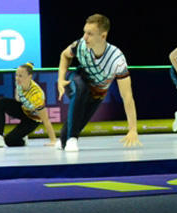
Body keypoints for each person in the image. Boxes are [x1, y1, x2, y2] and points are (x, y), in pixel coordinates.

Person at [56, 14, 140, 151]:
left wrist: (133, 129)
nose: (84, 37)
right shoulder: (81, 45)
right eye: (84, 32)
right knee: (80, 90)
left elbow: (127, 97)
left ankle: (65, 139)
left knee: (79, 121)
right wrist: (60, 79)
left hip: (98, 92)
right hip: (78, 78)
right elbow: (64, 55)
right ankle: (72, 139)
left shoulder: (117, 60)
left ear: (103, 36)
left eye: (89, 34)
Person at [0, 62, 59, 147]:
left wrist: (53, 140)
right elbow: (17, 99)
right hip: (24, 110)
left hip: (32, 119)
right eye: (16, 75)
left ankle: (22, 139)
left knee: (9, 141)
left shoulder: (36, 95)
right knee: (0, 102)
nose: (17, 78)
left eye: (20, 76)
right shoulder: (19, 83)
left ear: (29, 76)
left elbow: (46, 120)